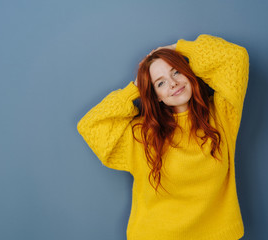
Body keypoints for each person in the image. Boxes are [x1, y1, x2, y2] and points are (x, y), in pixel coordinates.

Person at [77, 34, 249, 240]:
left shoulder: (222, 115)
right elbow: (90, 125)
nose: (173, 83)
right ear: (156, 96)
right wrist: (134, 89)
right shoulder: (142, 134)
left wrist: (178, 47)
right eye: (160, 83)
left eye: (176, 72)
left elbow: (235, 57)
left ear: (187, 73)